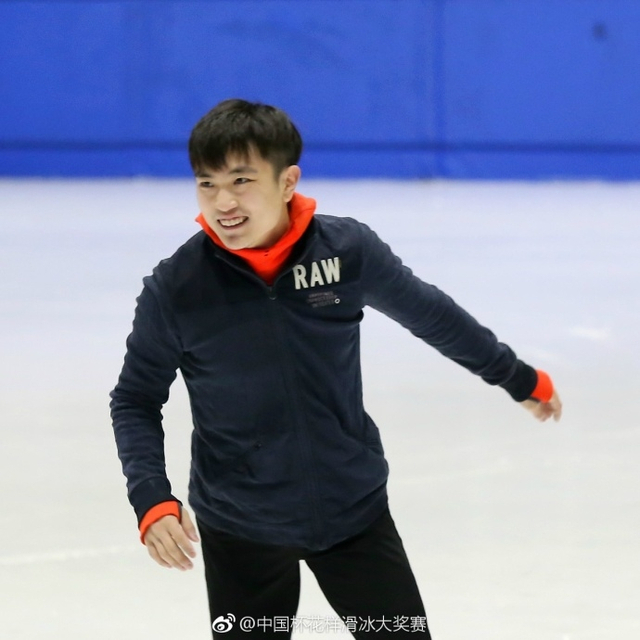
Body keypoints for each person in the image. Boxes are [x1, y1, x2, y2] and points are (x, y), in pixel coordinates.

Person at [110, 99, 562, 639]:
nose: (222, 202)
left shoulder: (346, 253)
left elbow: (432, 315)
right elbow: (135, 399)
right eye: (207, 184)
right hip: (240, 528)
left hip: (353, 513)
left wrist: (515, 377)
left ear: (287, 181)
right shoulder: (177, 288)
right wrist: (152, 499)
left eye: (241, 181)